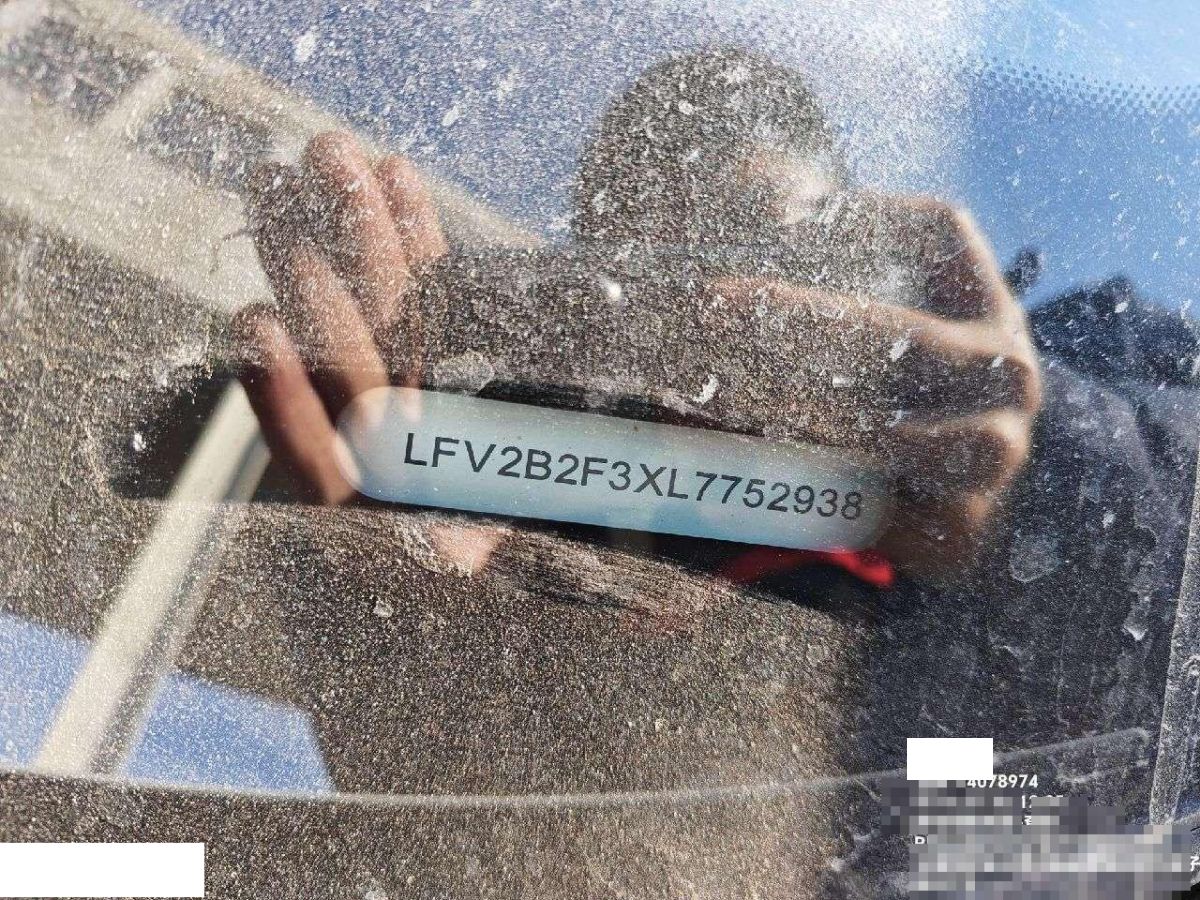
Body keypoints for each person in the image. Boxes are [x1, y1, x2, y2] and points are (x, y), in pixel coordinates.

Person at [232, 49, 1198, 897]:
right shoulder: (579, 571)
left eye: (765, 243)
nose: (719, 321)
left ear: (871, 239)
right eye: (643, 286)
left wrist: (1051, 497)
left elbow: (1118, 845)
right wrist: (511, 810)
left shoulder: (1117, 350)